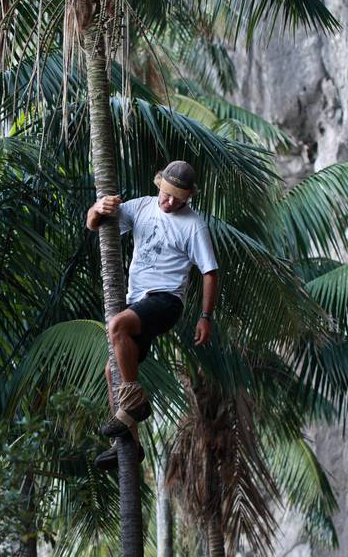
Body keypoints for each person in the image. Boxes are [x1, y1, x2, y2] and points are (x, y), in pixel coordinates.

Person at [86, 161, 218, 469]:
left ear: (188, 198)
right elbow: (95, 225)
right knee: (111, 370)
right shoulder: (142, 207)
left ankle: (134, 402)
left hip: (166, 301)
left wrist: (205, 317)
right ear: (159, 186)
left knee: (116, 325)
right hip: (137, 302)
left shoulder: (193, 225)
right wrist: (98, 207)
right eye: (167, 195)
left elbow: (210, 272)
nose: (170, 202)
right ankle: (130, 443)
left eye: (178, 199)